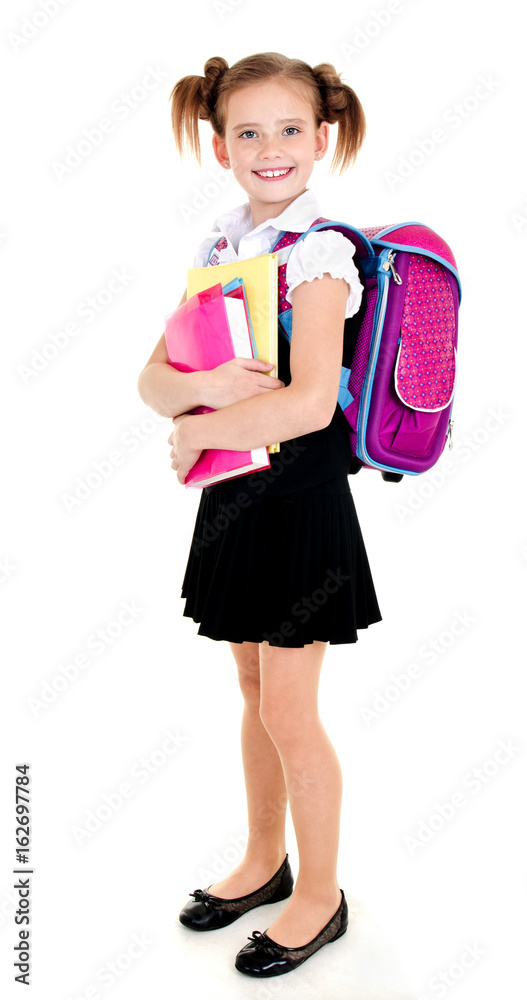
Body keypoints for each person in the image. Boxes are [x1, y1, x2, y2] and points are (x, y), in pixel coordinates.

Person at [137, 51, 382, 979]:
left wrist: (204, 430)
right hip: (235, 494)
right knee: (250, 691)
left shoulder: (321, 253)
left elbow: (312, 403)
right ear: (219, 144)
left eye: (289, 130)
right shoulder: (220, 244)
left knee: (290, 707)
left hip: (299, 503)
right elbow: (151, 377)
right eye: (248, 132)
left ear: (323, 139)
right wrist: (195, 403)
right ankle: (263, 859)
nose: (269, 148)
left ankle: (320, 896)